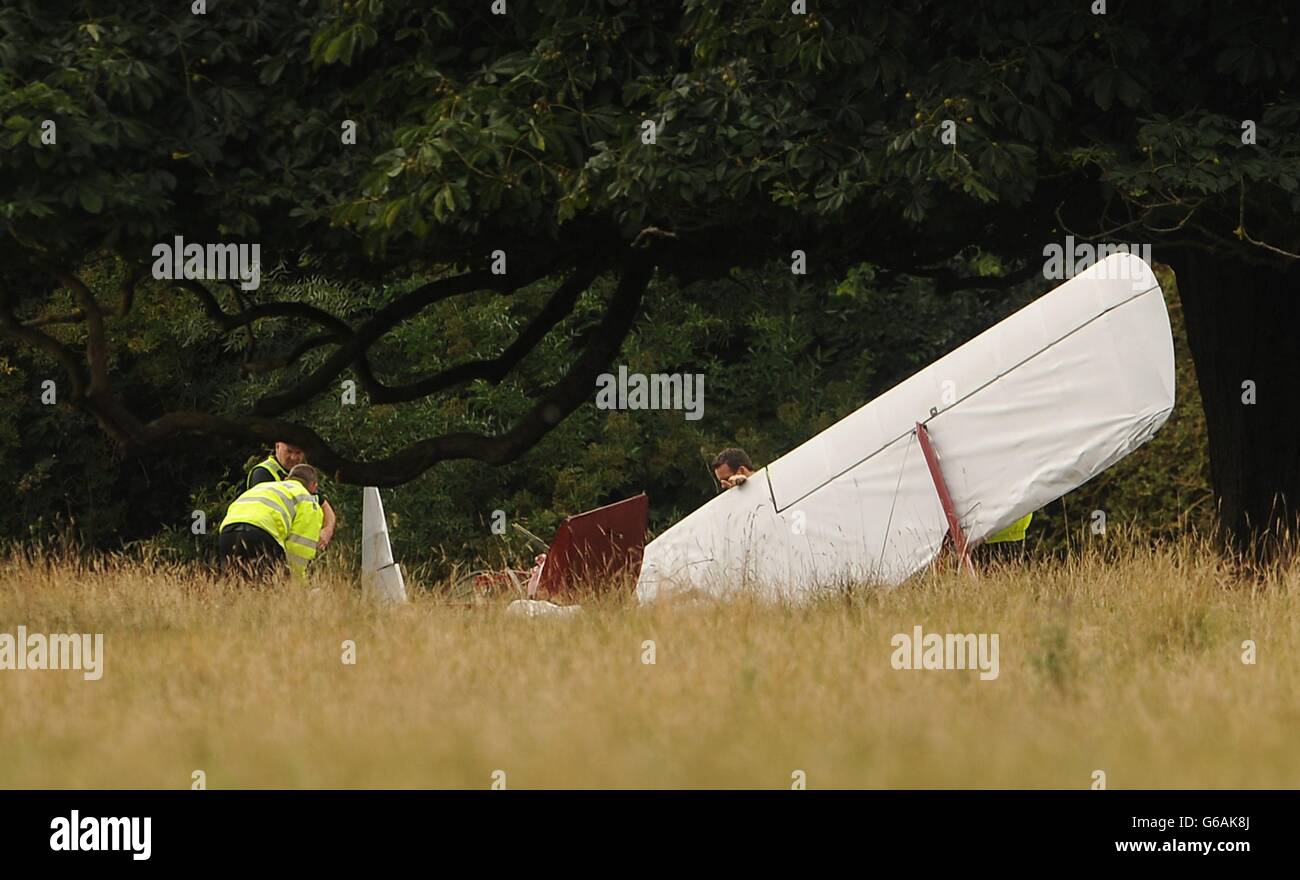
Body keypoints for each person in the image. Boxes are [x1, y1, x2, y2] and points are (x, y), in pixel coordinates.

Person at [219, 463, 325, 582]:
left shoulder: (264, 487)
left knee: (234, 588)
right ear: (313, 487)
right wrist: (298, 584)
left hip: (227, 532)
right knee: (266, 591)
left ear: (286, 479)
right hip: (263, 535)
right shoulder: (307, 500)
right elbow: (299, 550)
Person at [247, 441, 336, 550]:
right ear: (277, 447)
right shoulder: (263, 473)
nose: (293, 457)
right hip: (261, 538)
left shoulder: (301, 474)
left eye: (298, 453)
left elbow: (324, 504)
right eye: (289, 451)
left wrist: (327, 530)